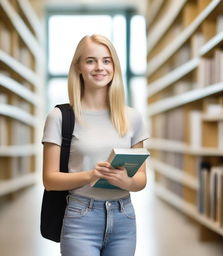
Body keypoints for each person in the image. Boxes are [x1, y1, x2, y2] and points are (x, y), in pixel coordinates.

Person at [42, 34, 149, 256]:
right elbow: (49, 179)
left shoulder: (133, 117)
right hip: (81, 217)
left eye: (106, 61)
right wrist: (90, 175)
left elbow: (141, 180)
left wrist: (125, 181)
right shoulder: (60, 117)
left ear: (114, 66)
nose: (99, 67)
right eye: (90, 60)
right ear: (78, 67)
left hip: (124, 217)